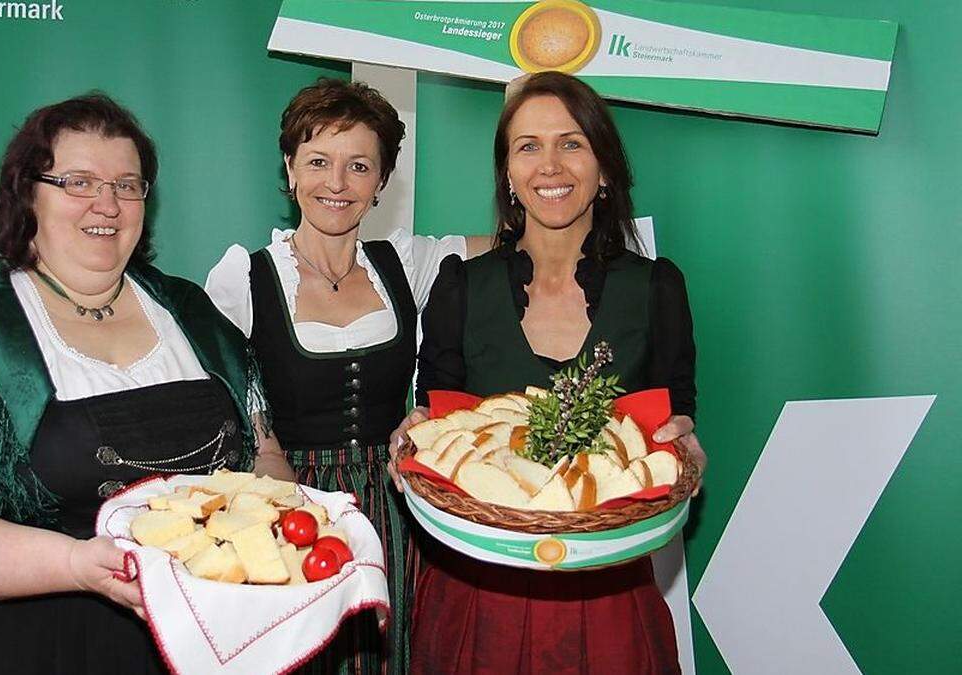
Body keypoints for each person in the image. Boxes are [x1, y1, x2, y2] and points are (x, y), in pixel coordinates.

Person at [0, 94, 269, 674]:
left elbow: (264, 456)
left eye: (128, 185)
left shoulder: (193, 314)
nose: (107, 203)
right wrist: (77, 564)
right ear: (28, 194)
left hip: (185, 646)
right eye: (78, 182)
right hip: (16, 648)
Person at [391, 72, 707, 674]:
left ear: (605, 168)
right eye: (528, 146)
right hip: (479, 600)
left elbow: (675, 422)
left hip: (609, 600)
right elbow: (434, 423)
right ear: (507, 173)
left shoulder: (657, 289)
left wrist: (685, 453)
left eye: (571, 143)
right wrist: (412, 441)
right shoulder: (460, 288)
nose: (550, 165)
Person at [204, 78, 487, 674]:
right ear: (290, 169)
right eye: (318, 161)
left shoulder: (407, 263)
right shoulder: (241, 279)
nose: (336, 183)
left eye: (359, 165)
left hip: (393, 506)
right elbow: (225, 393)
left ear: (382, 182)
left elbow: (528, 241)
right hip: (290, 505)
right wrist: (269, 458)